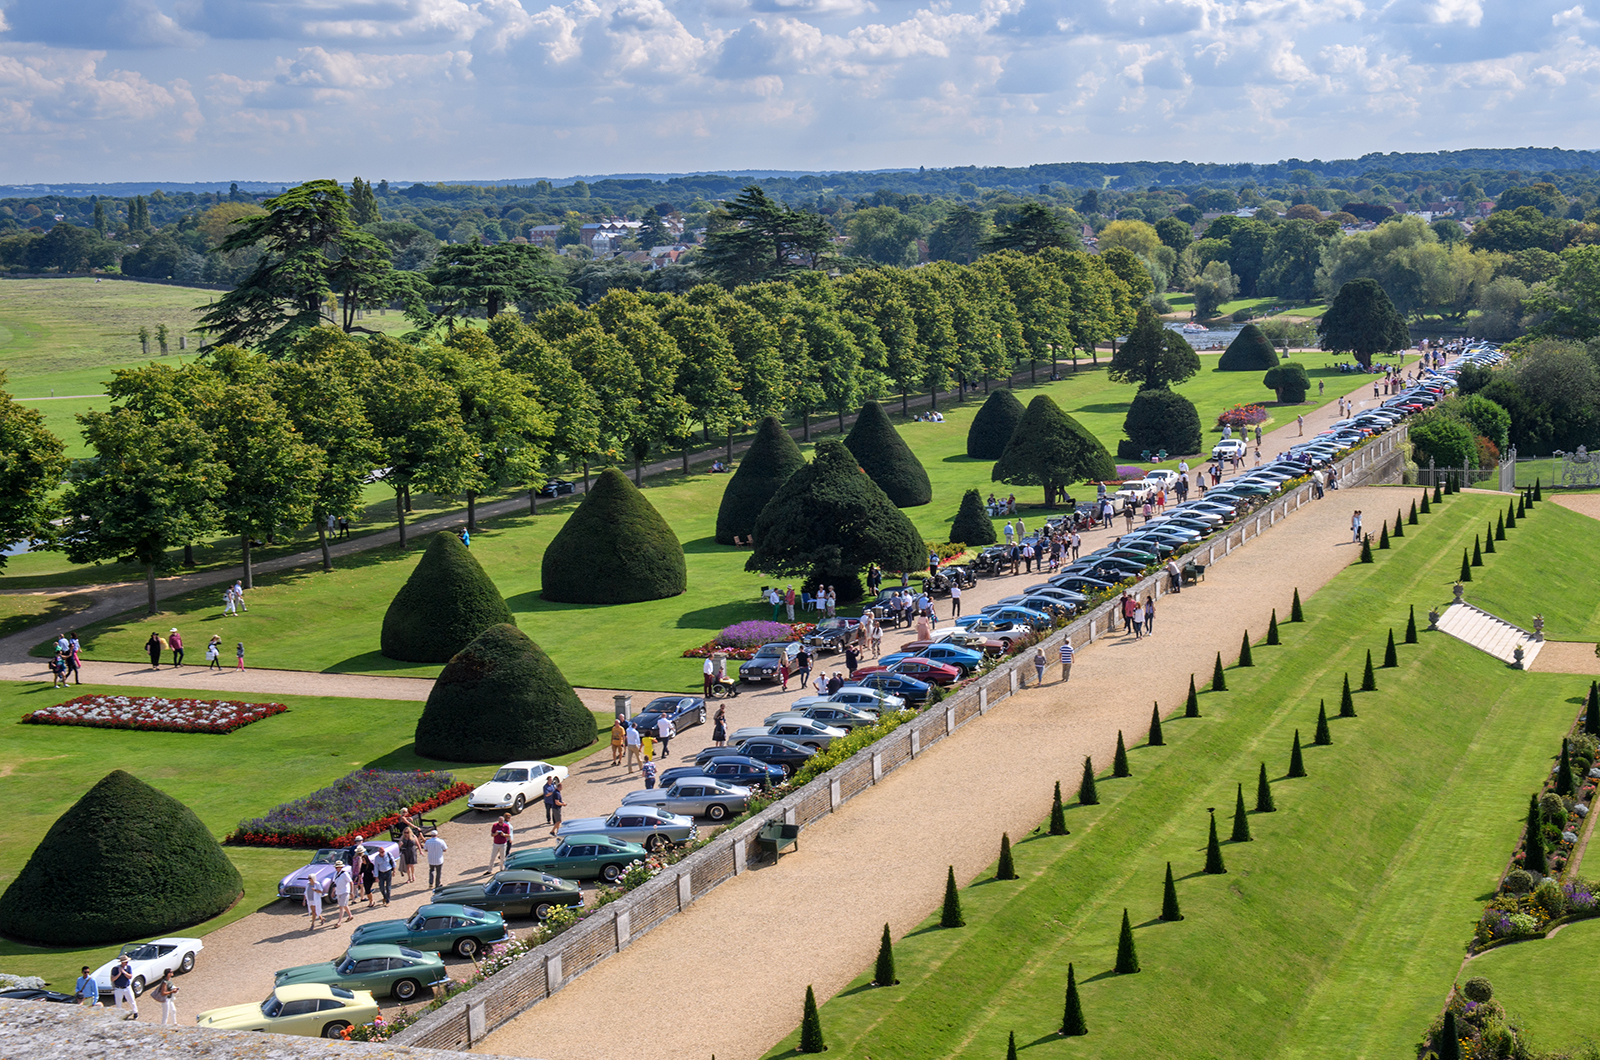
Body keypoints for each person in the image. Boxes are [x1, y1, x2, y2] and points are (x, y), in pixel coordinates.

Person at [111, 954, 138, 1020]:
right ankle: (119, 1015)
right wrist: (119, 974)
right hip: (118, 988)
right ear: (122, 962)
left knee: (131, 1000)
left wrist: (124, 972)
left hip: (127, 987)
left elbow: (130, 976)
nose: (127, 963)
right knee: (118, 1003)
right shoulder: (115, 969)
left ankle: (135, 1012)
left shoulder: (128, 968)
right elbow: (112, 979)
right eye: (125, 962)